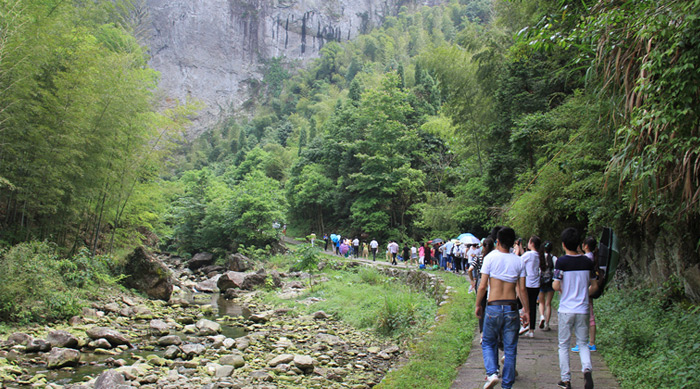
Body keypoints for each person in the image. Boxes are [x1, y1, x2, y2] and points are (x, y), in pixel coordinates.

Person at [475, 227, 529, 389]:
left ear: (497, 241)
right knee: (511, 348)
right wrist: (526, 310)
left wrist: (478, 305)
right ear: (513, 243)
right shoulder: (519, 261)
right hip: (512, 308)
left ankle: (492, 373)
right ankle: (507, 385)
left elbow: (483, 286)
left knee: (488, 342)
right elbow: (522, 290)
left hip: (493, 307)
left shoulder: (490, 258)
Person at [554, 227, 598, 389]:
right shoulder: (587, 262)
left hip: (566, 308)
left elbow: (556, 284)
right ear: (579, 244)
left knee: (564, 345)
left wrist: (559, 287)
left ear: (564, 244)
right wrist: (584, 294)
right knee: (583, 343)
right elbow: (594, 286)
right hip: (583, 309)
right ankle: (586, 370)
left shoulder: (561, 262)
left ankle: (566, 380)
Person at [572, 236, 600, 352]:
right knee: (589, 316)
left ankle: (586, 343)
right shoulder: (591, 257)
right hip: (589, 289)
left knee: (585, 317)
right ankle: (590, 342)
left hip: (585, 290)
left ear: (586, 246)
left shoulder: (587, 259)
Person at [519, 236, 542, 338]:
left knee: (521, 304)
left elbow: (518, 261)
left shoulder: (529, 254)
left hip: (527, 284)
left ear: (532, 243)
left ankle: (523, 324)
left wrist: (518, 251)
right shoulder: (538, 255)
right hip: (536, 284)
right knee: (532, 307)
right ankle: (531, 330)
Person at [538, 241, 556, 331]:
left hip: (541, 282)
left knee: (541, 302)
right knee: (548, 304)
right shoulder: (554, 258)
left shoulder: (539, 257)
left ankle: (541, 316)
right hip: (550, 283)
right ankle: (547, 325)